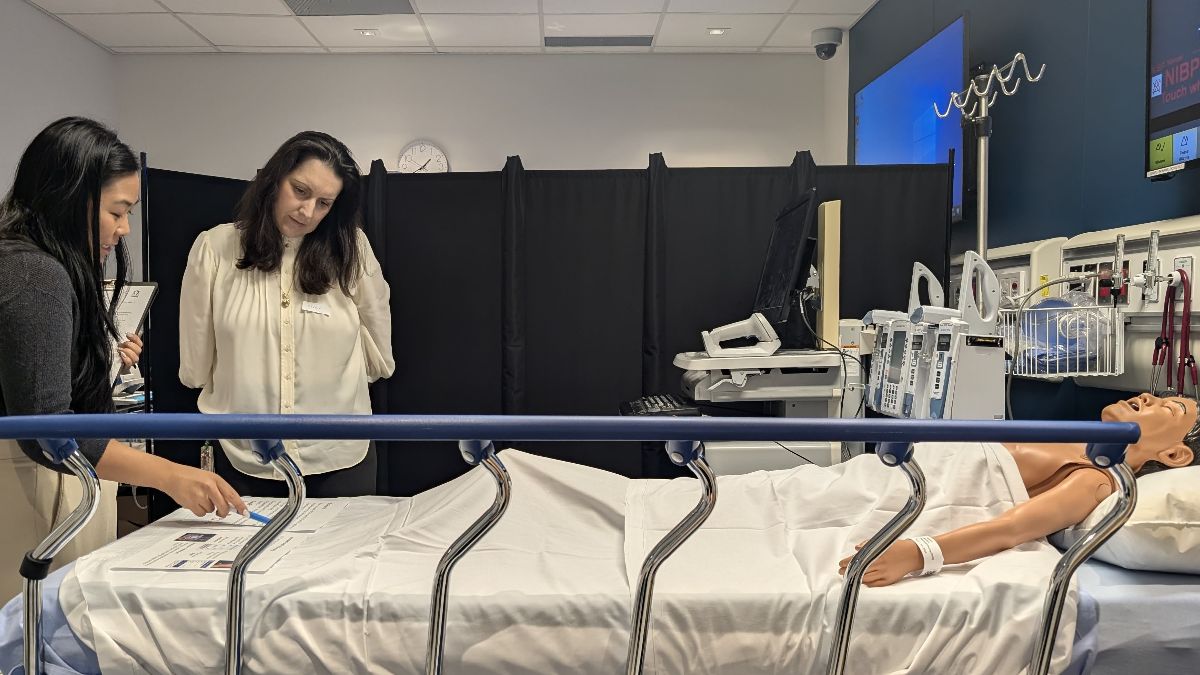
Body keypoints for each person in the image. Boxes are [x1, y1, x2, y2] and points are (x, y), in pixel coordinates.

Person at [0, 117, 248, 598]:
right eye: (117, 212)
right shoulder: (34, 273)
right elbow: (48, 429)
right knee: (37, 625)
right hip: (39, 489)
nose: (124, 229)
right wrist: (171, 475)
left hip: (62, 481)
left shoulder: (35, 264)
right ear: (70, 196)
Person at [179, 131, 394, 498]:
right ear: (274, 180)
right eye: (300, 191)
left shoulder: (352, 250)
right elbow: (195, 368)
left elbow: (379, 358)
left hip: (340, 457)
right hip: (242, 457)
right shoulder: (215, 248)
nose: (307, 212)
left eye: (324, 203)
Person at [840, 392, 1200, 586]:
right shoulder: (1077, 442)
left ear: (1175, 455)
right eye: (1156, 396)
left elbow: (1010, 529)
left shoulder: (1096, 479)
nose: (1147, 396)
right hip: (887, 473)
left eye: (1169, 408)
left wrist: (917, 555)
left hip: (905, 486)